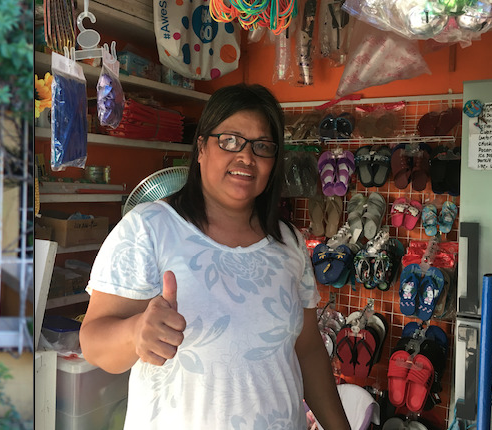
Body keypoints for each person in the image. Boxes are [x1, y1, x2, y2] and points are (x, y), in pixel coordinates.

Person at [79, 84, 351, 429]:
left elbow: (308, 350)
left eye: (262, 146)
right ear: (202, 147)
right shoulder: (149, 230)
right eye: (230, 140)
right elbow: (93, 343)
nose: (246, 157)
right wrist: (136, 332)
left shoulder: (289, 243)